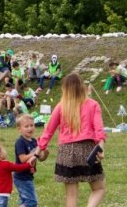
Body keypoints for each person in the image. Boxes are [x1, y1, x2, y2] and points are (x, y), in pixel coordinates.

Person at [33, 73, 106, 207]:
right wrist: (101, 148)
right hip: (87, 150)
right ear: (82, 86)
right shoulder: (93, 104)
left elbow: (48, 131)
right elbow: (99, 131)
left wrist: (36, 153)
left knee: (71, 195)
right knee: (99, 188)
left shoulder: (61, 106)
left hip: (66, 152)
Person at [0, 142, 34, 207]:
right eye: (3, 150)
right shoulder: (6, 164)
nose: (5, 152)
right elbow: (18, 168)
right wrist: (29, 164)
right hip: (1, 195)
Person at [14, 114, 48, 207]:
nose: (30, 128)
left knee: (25, 201)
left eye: (32, 125)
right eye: (26, 126)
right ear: (19, 129)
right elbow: (22, 159)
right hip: (21, 177)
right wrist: (35, 153)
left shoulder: (34, 141)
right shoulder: (20, 142)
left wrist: (45, 152)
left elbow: (41, 158)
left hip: (28, 176)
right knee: (31, 202)